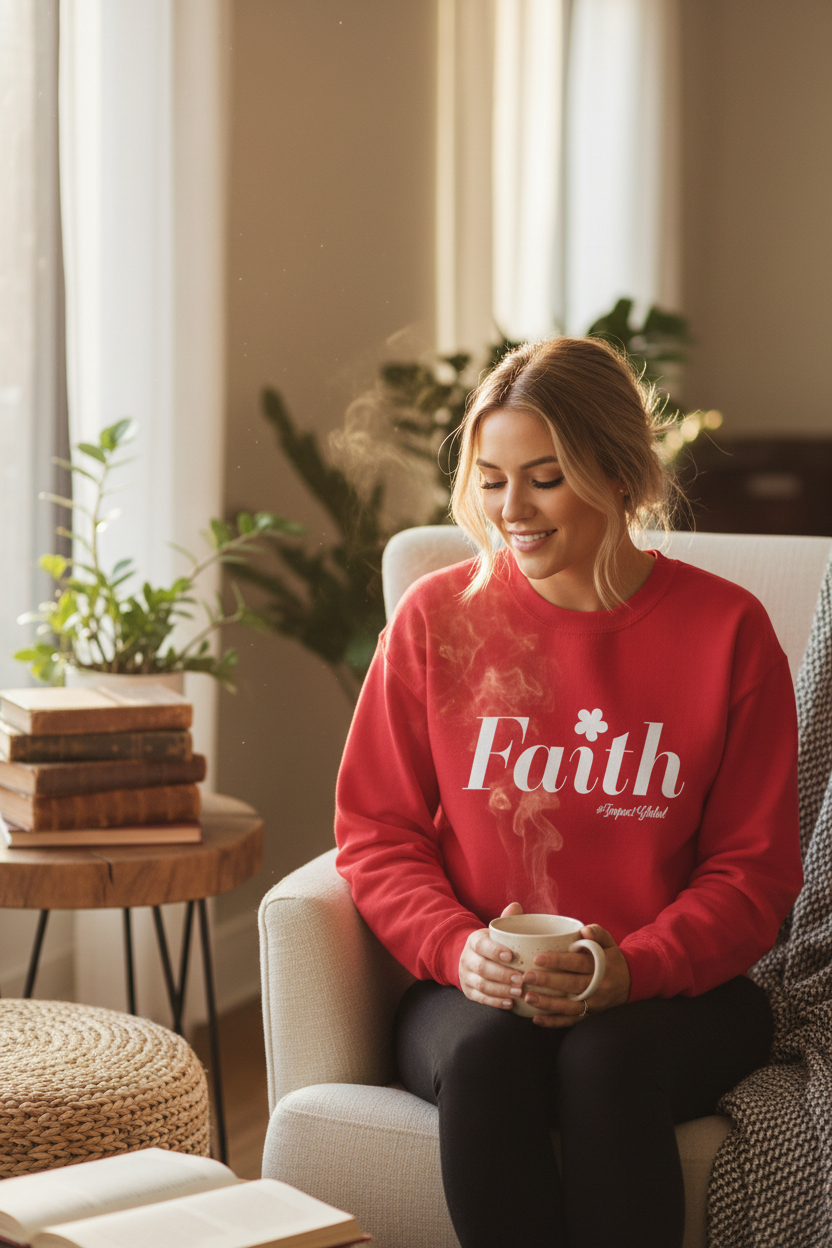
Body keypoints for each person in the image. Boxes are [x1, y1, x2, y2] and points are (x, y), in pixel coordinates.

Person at [334, 335, 802, 1248]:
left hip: (672, 993)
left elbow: (754, 873)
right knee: (488, 1058)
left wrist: (630, 968)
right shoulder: (435, 619)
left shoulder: (728, 632)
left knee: (604, 1059)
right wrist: (458, 948)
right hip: (477, 985)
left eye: (545, 479)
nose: (512, 509)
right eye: (492, 479)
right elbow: (376, 831)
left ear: (621, 474)